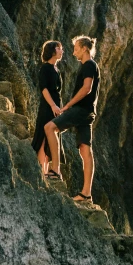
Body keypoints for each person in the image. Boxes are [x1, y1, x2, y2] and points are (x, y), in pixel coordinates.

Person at [44, 35, 100, 202]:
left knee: (49, 128)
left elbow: (86, 88)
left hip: (81, 110)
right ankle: (86, 194)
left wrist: (68, 105)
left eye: (76, 48)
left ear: (84, 49)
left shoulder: (89, 65)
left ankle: (55, 170)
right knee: (85, 150)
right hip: (89, 112)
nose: (74, 52)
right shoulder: (90, 66)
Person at [31, 40, 63, 177]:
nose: (62, 51)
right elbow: (44, 89)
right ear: (53, 50)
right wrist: (53, 105)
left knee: (52, 136)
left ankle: (49, 169)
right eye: (59, 48)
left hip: (56, 106)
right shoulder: (45, 68)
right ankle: (41, 171)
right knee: (43, 137)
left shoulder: (56, 69)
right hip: (48, 106)